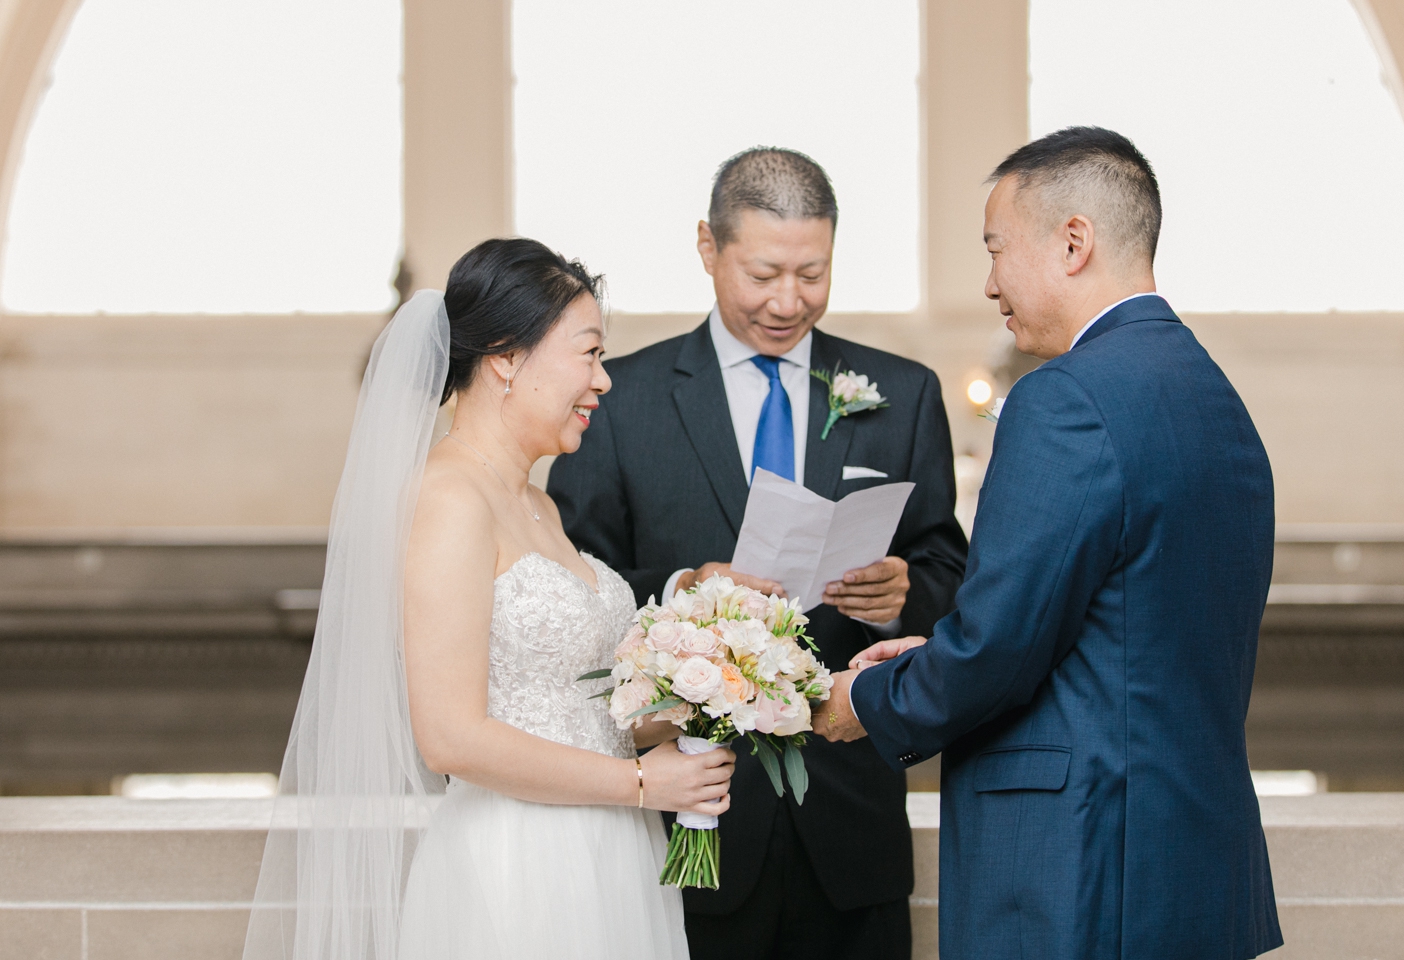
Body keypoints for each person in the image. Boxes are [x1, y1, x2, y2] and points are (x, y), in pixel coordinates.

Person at [815, 126, 1283, 959]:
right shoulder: (1217, 398)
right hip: (1196, 870)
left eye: (996, 250)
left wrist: (865, 701)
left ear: (1074, 243)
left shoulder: (1062, 399)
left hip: (1083, 867)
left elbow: (1000, 645)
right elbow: (1116, 628)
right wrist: (935, 650)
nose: (989, 284)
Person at [243, 238, 734, 960]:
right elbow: (450, 736)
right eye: (588, 353)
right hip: (519, 866)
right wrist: (637, 782)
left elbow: (575, 714)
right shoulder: (447, 498)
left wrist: (698, 699)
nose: (602, 382)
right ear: (506, 356)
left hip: (611, 852)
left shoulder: (541, 506)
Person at [547, 147, 969, 960]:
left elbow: (951, 573)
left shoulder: (903, 393)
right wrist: (680, 584)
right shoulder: (620, 398)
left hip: (852, 820)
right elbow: (575, 585)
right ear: (708, 248)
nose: (788, 301)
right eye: (763, 273)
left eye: (812, 274)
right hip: (694, 815)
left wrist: (907, 590)